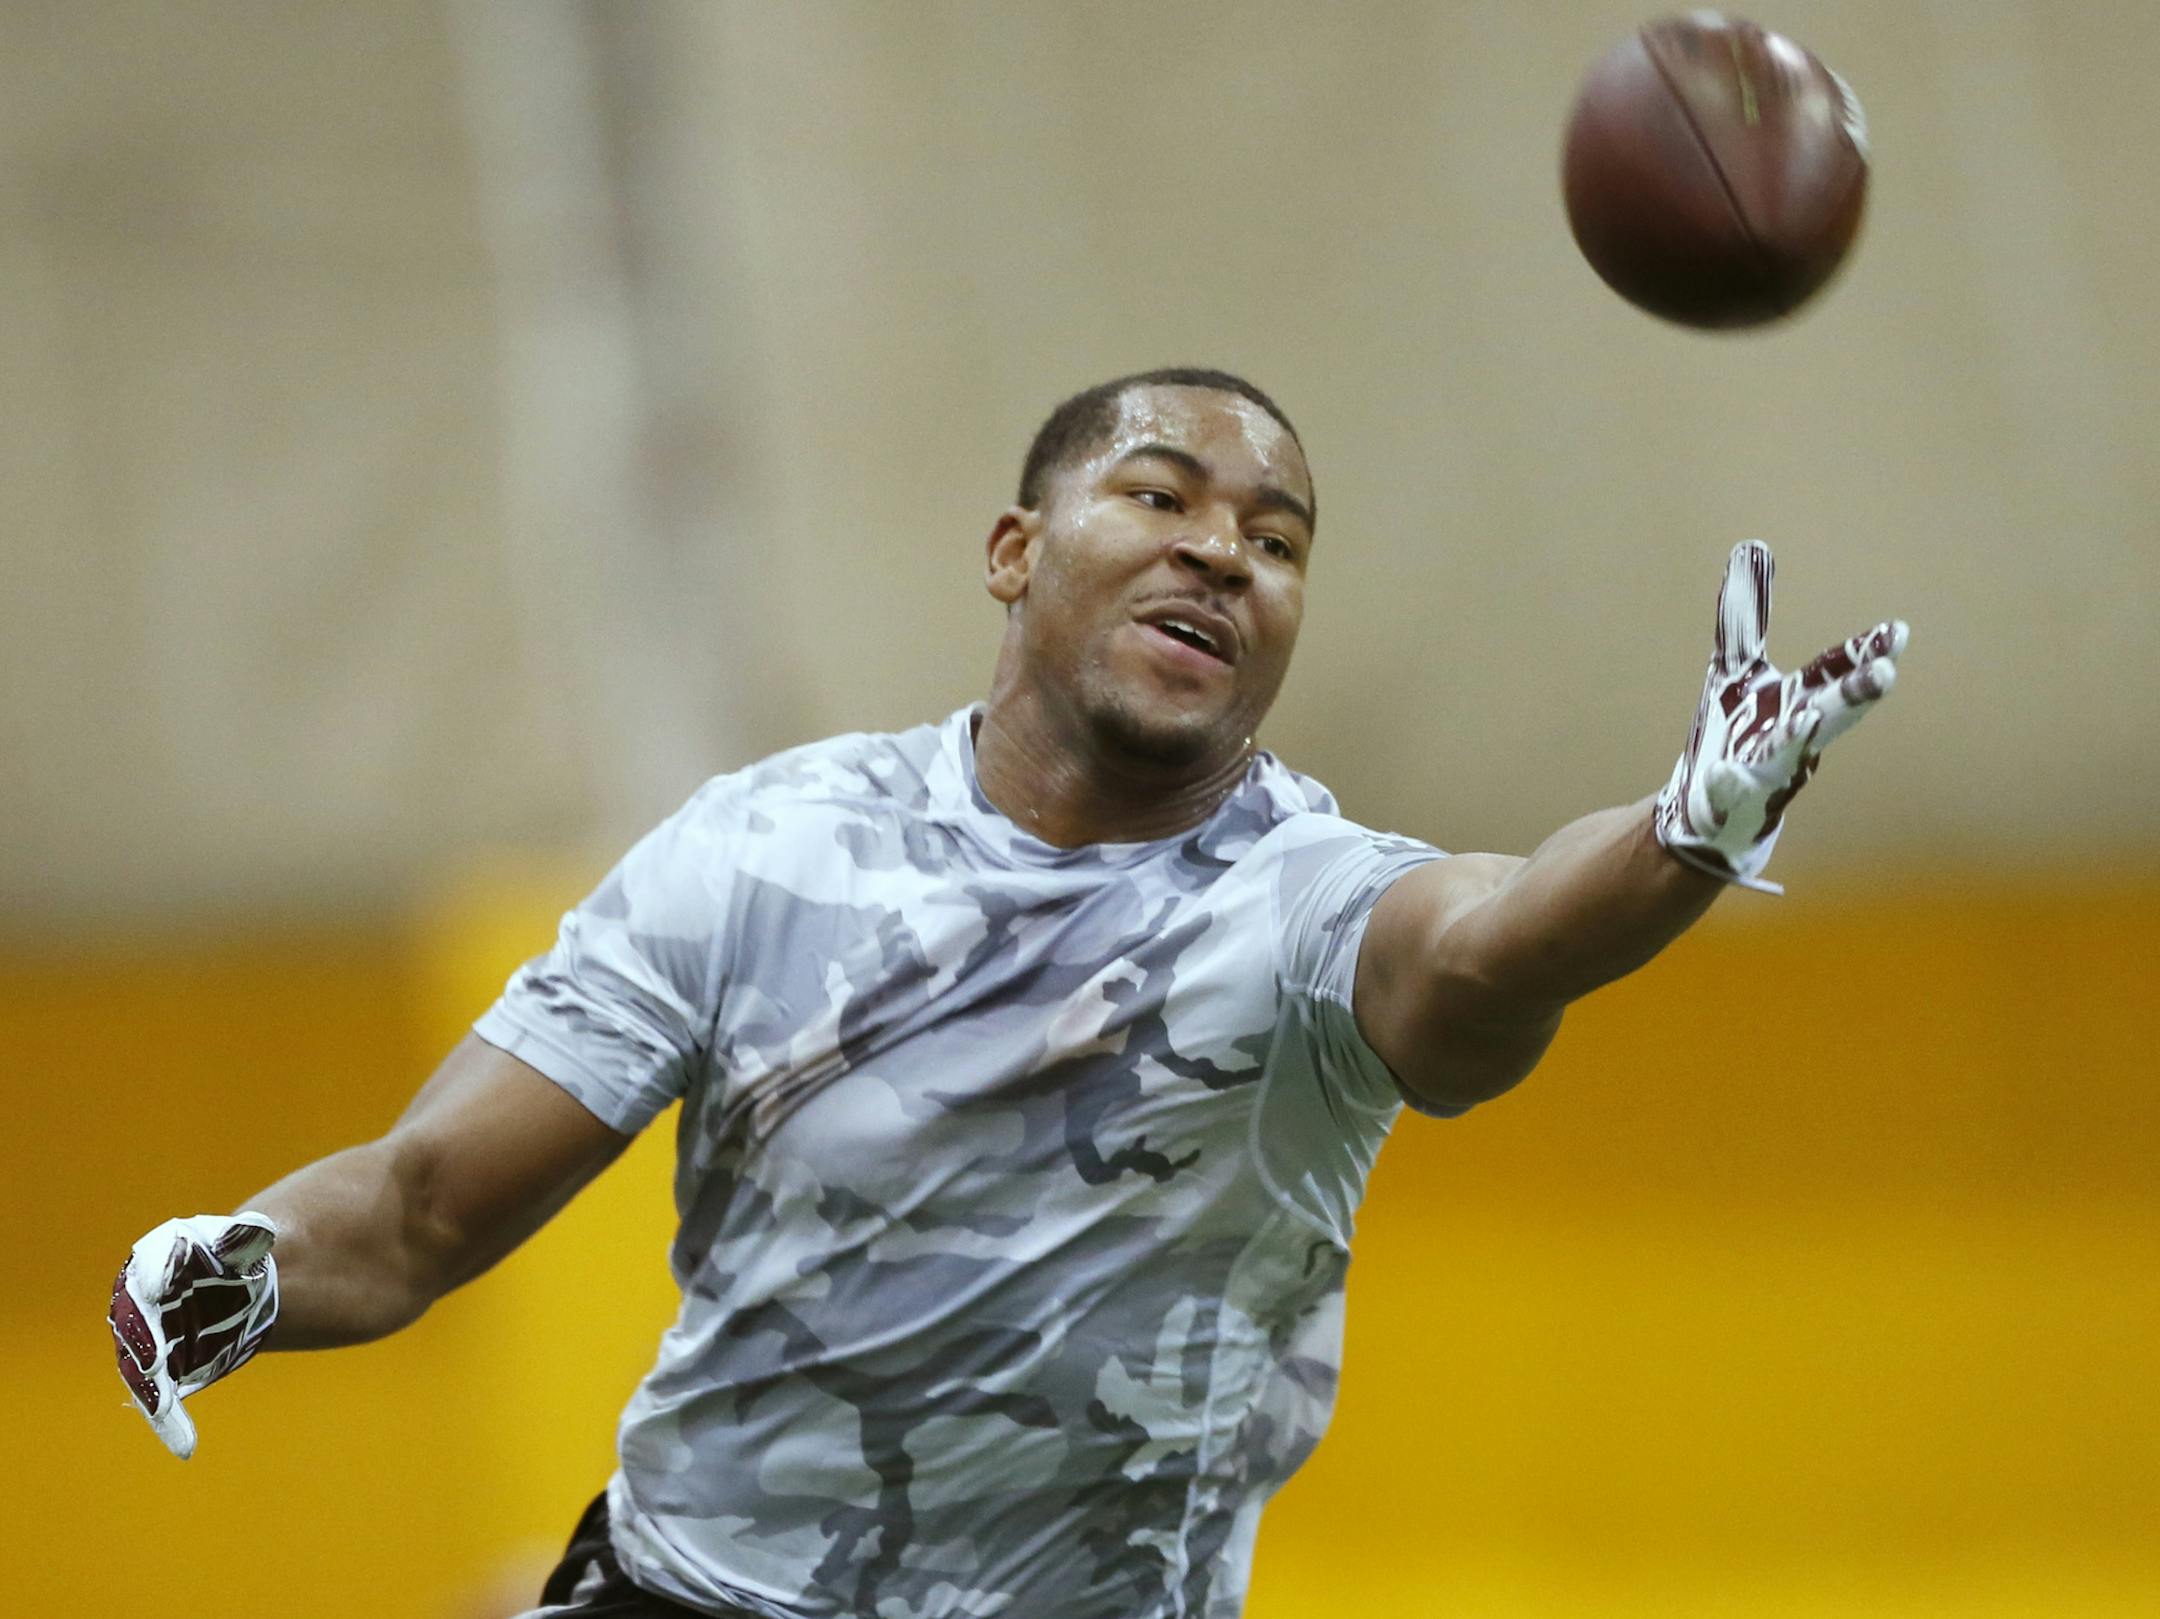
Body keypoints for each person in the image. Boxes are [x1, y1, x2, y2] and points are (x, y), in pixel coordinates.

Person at [109, 367, 1906, 1619]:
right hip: (690, 1597)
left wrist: (1679, 839)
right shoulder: (767, 846)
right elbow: (420, 1207)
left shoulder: (1307, 904)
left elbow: (1499, 940)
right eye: (1161, 496)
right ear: (1014, 551)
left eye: (1278, 541)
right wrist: (248, 1264)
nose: (1225, 552)